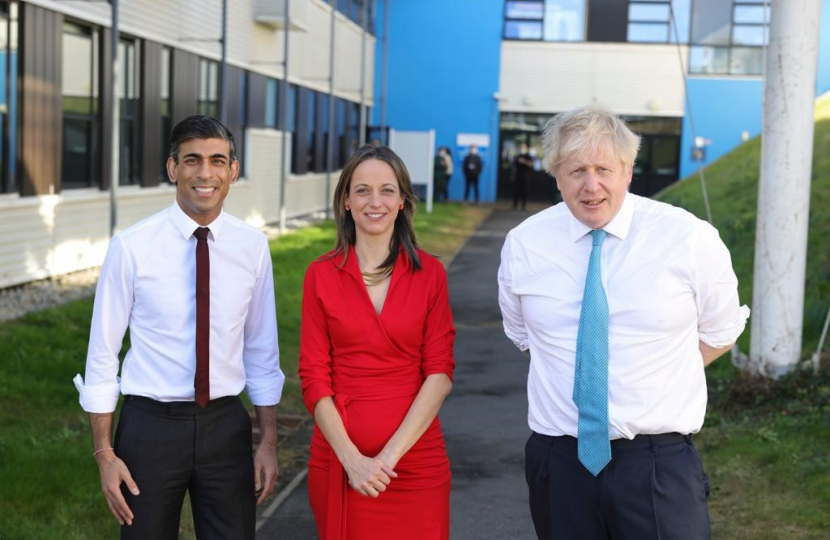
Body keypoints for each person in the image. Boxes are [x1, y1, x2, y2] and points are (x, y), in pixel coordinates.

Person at [497, 107, 749, 540]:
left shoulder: (688, 238)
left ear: (628, 171)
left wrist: (656, 375)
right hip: (559, 462)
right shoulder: (524, 244)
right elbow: (526, 336)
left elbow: (722, 330)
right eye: (576, 170)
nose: (591, 185)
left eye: (603, 169)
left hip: (656, 462)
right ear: (555, 174)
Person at [73, 115, 285, 540]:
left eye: (217, 160)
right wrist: (103, 453)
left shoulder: (253, 247)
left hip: (225, 425)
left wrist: (267, 442)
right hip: (149, 427)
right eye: (192, 160)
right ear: (173, 168)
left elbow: (262, 352)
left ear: (233, 171)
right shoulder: (131, 247)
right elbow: (102, 355)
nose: (205, 173)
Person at [299, 144, 456, 540]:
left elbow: (439, 373)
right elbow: (314, 378)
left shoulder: (430, 274)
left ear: (402, 200)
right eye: (362, 190)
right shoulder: (320, 275)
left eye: (387, 190)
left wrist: (385, 460)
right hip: (340, 461)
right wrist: (353, 461)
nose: (375, 201)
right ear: (346, 201)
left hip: (415, 463)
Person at [512, 142, 534, 211]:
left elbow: (531, 164)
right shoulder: (517, 156)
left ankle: (523, 206)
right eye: (521, 147)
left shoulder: (528, 156)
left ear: (526, 148)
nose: (522, 148)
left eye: (524, 147)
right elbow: (514, 164)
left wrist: (523, 161)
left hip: (525, 177)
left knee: (525, 191)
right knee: (516, 191)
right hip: (517, 177)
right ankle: (515, 205)